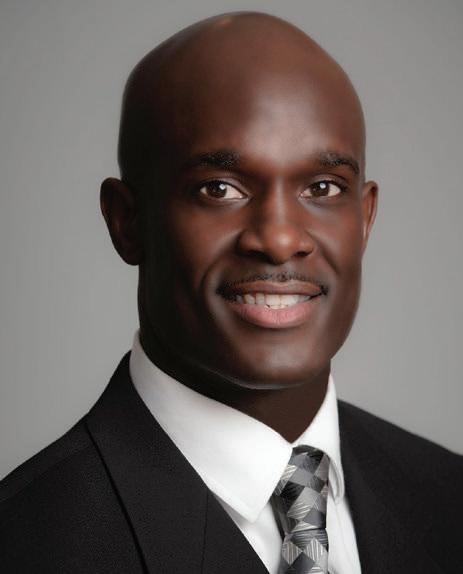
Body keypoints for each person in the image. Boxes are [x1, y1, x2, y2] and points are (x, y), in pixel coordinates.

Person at [0, 11, 461, 574]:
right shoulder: (27, 545)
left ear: (364, 220)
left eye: (322, 187)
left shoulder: (447, 499)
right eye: (219, 189)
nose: (280, 239)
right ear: (126, 221)